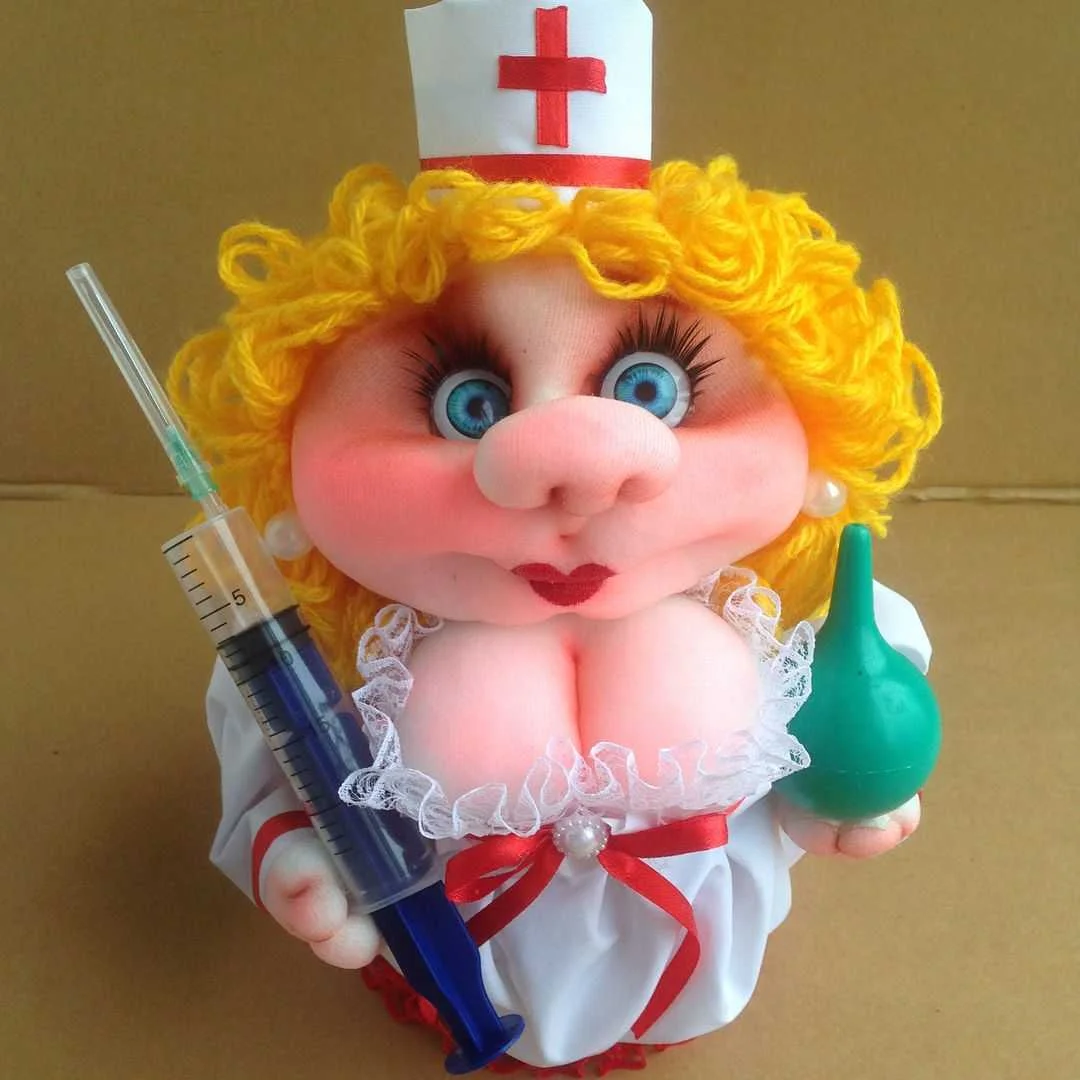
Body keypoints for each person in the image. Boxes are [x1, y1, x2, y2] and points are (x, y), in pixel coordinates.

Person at [167, 1, 941, 1070]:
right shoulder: (337, 664)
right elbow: (277, 763)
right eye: (468, 405)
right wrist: (294, 849)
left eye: (651, 385)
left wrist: (839, 792)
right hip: (443, 973)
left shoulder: (782, 624)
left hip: (697, 970)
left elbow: (850, 722)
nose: (569, 468)